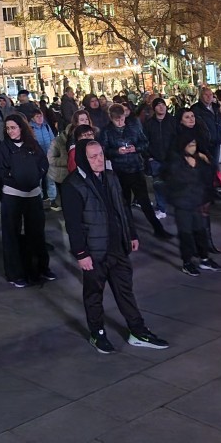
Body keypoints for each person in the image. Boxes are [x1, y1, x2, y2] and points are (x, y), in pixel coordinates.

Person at [60, 141, 169, 354]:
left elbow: (122, 208)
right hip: (94, 251)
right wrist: (81, 253)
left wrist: (131, 234)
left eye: (100, 154)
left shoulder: (110, 177)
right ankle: (97, 333)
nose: (99, 159)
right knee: (94, 294)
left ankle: (137, 331)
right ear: (83, 159)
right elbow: (73, 224)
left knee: (125, 291)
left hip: (117, 246)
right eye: (93, 157)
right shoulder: (72, 185)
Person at [0, 113, 54, 287]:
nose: (10, 131)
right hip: (13, 196)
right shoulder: (3, 148)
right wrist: (11, 177)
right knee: (12, 235)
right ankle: (15, 273)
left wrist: (36, 175)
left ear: (21, 128)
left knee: (37, 233)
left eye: (13, 127)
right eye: (7, 128)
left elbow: (43, 163)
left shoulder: (32, 145)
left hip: (33, 195)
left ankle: (41, 268)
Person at [100, 104, 172, 240]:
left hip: (136, 168)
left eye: (122, 119)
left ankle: (158, 229)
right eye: (117, 120)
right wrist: (116, 152)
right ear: (111, 118)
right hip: (120, 171)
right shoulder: (106, 131)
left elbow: (145, 142)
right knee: (124, 203)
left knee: (144, 201)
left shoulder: (133, 126)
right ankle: (129, 232)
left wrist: (136, 148)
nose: (120, 123)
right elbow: (103, 150)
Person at [165, 135, 221, 276]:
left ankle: (204, 259)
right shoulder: (176, 163)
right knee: (186, 235)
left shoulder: (200, 161)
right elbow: (171, 183)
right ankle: (187, 262)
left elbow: (208, 179)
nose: (192, 146)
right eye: (189, 143)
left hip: (198, 203)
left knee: (201, 232)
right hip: (183, 205)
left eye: (194, 143)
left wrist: (207, 200)